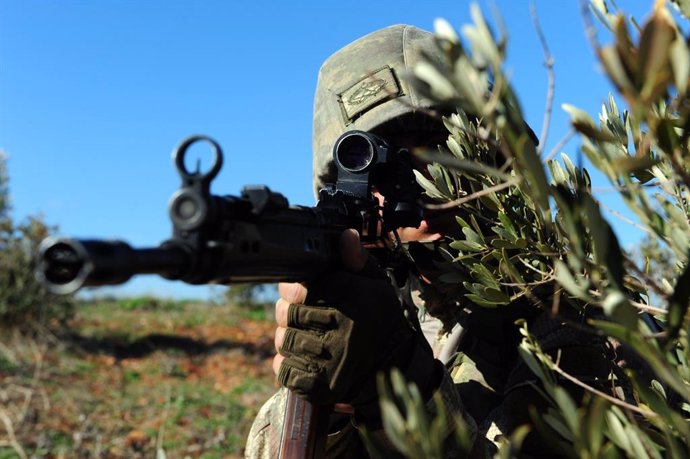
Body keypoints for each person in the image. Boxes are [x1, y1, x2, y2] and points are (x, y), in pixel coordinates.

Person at [246, 24, 616, 458]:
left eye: (441, 153)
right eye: (383, 169)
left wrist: (402, 385)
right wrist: (334, 410)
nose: (421, 186)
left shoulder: (581, 310)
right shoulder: (381, 305)